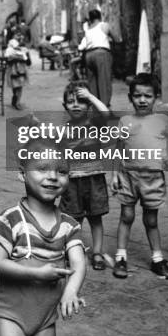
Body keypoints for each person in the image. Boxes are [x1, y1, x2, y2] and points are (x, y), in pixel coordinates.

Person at [0, 138, 86, 336]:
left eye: (62, 171)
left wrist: (71, 290)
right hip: (12, 315)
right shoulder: (10, 219)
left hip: (45, 318)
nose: (53, 177)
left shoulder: (69, 225)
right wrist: (37, 273)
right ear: (22, 174)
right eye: (43, 169)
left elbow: (79, 262)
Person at [111, 73, 168, 280]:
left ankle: (157, 259)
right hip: (128, 176)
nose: (142, 100)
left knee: (151, 220)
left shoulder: (162, 120)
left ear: (156, 98)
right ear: (130, 98)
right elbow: (118, 149)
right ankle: (121, 256)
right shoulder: (125, 121)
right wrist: (114, 175)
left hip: (153, 179)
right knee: (127, 216)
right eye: (137, 96)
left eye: (148, 96)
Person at [59, 81, 111, 271]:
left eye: (80, 101)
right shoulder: (63, 130)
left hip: (94, 178)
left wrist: (90, 96)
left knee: (96, 218)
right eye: (71, 101)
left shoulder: (95, 123)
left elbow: (107, 114)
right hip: (72, 182)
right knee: (73, 221)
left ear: (88, 105)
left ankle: (97, 252)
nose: (75, 105)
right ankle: (73, 251)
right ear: (64, 106)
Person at [79, 9, 116, 107]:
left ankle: (95, 106)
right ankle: (104, 106)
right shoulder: (103, 25)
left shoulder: (88, 29)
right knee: (104, 81)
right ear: (100, 17)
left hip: (89, 55)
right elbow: (116, 37)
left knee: (93, 82)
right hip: (101, 54)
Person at [4, 35, 31, 110]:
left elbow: (7, 59)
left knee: (15, 85)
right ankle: (17, 101)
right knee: (19, 86)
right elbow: (28, 61)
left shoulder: (9, 50)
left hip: (14, 71)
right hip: (19, 70)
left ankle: (15, 98)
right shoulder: (17, 50)